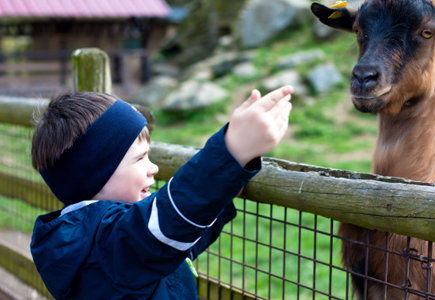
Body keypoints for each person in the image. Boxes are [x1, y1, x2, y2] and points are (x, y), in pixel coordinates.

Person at [30, 85, 293, 299]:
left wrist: (226, 181)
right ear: (97, 174)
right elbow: (166, 222)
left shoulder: (109, 237)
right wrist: (232, 152)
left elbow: (184, 235)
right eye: (140, 158)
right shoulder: (107, 243)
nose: (153, 168)